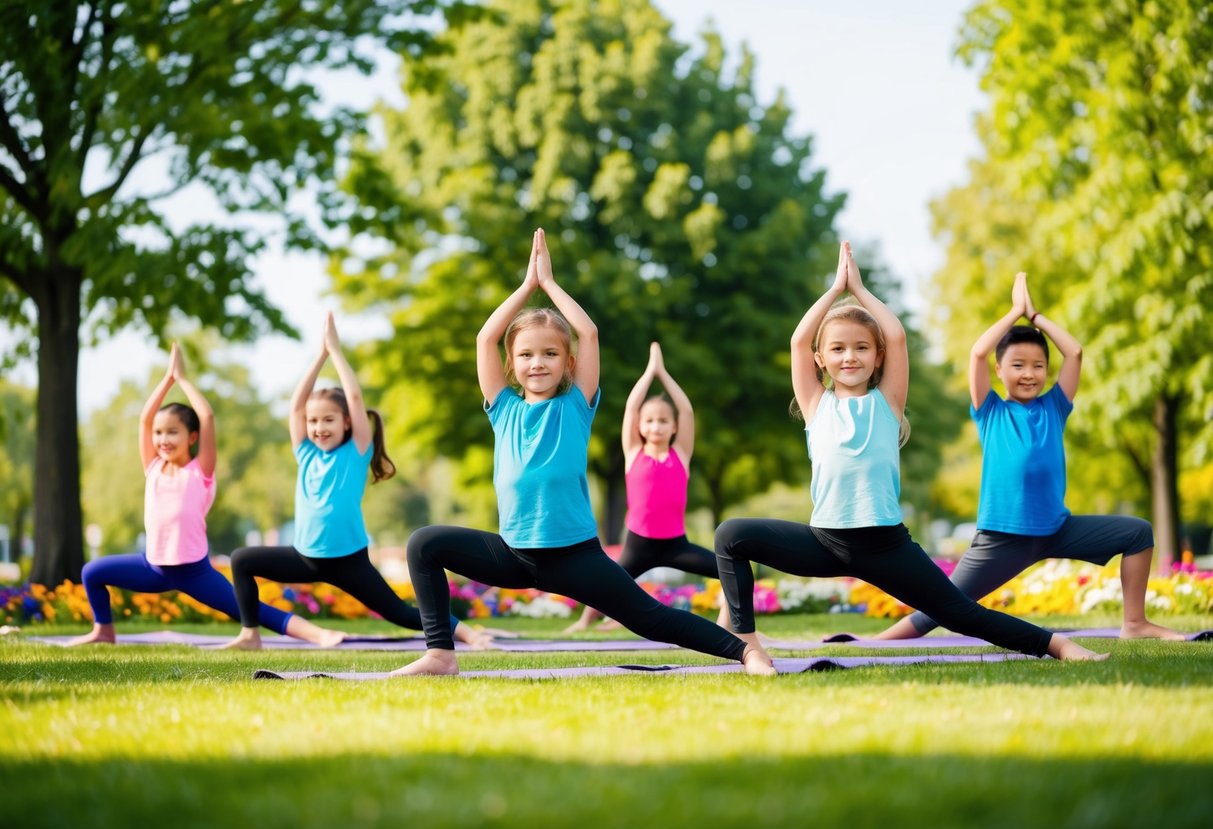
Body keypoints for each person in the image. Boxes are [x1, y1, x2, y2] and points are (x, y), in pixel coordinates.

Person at [393, 228, 773, 676]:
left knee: (650, 619)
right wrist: (525, 287)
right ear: (511, 363)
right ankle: (440, 654)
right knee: (424, 544)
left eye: (551, 353)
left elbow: (588, 333)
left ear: (567, 363)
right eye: (527, 355)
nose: (538, 363)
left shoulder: (576, 406)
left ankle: (746, 652)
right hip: (514, 553)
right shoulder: (503, 409)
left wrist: (550, 285)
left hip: (574, 555)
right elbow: (484, 338)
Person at [715, 243, 1109, 665]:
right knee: (731, 536)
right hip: (826, 540)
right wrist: (834, 290)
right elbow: (797, 341)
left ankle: (1058, 645)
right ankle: (748, 647)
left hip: (886, 544)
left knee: (960, 614)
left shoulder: (888, 403)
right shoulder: (816, 405)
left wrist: (860, 291)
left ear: (878, 356)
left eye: (862, 347)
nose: (850, 356)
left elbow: (897, 335)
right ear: (821, 360)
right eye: (838, 349)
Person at [874, 273, 1182, 642]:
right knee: (942, 605)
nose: (1029, 374)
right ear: (1000, 371)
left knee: (1137, 533)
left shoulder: (1055, 406)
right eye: (1018, 365)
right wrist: (1014, 313)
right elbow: (978, 353)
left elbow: (1075, 352)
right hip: (1003, 538)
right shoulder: (990, 411)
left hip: (1056, 529)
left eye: (1038, 366)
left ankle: (1135, 624)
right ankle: (872, 643)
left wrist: (1035, 318)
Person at [216, 314, 492, 650]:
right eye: (314, 421)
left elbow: (357, 400)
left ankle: (467, 633)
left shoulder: (356, 451)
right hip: (304, 557)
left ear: (347, 422)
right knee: (242, 560)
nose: (319, 427)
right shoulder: (305, 453)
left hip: (349, 560)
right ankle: (250, 635)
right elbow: (295, 408)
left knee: (400, 613)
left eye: (328, 420)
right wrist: (318, 356)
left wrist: (336, 352)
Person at [67, 345, 343, 647]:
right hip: (153, 568)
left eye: (172, 432)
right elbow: (145, 420)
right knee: (92, 572)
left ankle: (320, 634)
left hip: (195, 572)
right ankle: (104, 631)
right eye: (159, 434)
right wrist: (166, 380)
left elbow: (207, 416)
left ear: (192, 437)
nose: (163, 439)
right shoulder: (154, 467)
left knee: (253, 610)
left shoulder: (201, 472)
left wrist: (183, 380)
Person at [564, 342, 731, 633]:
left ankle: (731, 623)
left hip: (676, 544)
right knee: (605, 581)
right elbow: (631, 407)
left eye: (663, 421)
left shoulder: (680, 453)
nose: (656, 427)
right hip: (638, 543)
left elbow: (687, 410)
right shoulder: (633, 453)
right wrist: (649, 372)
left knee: (730, 570)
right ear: (640, 426)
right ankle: (584, 621)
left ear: (674, 427)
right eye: (650, 421)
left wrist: (663, 373)